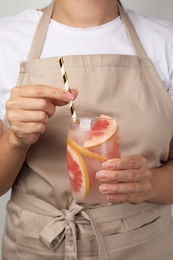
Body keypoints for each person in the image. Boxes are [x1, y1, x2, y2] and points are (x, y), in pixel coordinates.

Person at [0, 0, 173, 259]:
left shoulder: (166, 41)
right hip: (37, 246)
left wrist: (150, 185)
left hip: (143, 245)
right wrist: (16, 139)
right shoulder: (6, 39)